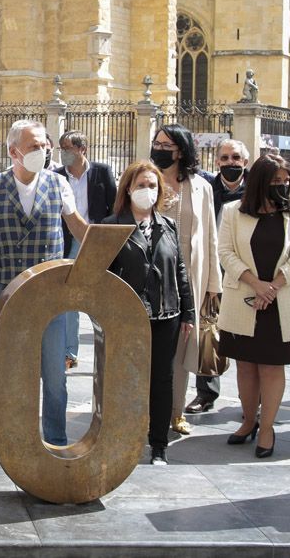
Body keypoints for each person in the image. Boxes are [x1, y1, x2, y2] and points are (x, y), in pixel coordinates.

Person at [0, 120, 88, 446]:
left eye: (45, 146)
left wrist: (116, 245)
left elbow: (79, 230)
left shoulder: (59, 185)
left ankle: (55, 439)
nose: (42, 151)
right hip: (8, 293)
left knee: (54, 375)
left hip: (50, 294)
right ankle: (11, 438)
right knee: (11, 372)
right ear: (14, 151)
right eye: (34, 147)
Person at [217, 154, 290, 459]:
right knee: (245, 365)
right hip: (244, 296)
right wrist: (256, 284)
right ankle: (248, 421)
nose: (282, 187)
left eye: (286, 182)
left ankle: (267, 428)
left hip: (278, 300)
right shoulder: (233, 211)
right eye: (275, 182)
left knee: (271, 367)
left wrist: (272, 287)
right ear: (259, 182)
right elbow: (226, 252)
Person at [104, 161, 194, 465]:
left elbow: (179, 269)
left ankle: (158, 445)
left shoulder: (167, 226)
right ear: (128, 189)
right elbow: (101, 275)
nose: (147, 191)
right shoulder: (112, 225)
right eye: (141, 185)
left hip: (165, 315)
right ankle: (123, 441)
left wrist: (188, 312)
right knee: (126, 380)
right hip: (127, 318)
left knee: (162, 380)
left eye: (152, 185)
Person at [149, 124, 222, 436]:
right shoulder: (145, 180)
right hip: (151, 277)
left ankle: (175, 413)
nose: (161, 149)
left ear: (181, 150)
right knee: (150, 349)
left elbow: (210, 238)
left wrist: (213, 286)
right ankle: (148, 413)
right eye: (157, 144)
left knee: (181, 349)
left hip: (189, 277)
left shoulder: (200, 186)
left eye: (167, 145)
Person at [188, 137, 250, 414]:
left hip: (247, 274)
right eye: (224, 158)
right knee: (207, 334)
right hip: (214, 271)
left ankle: (252, 398)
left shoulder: (255, 191)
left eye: (235, 158)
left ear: (245, 162)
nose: (230, 163)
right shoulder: (207, 189)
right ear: (217, 162)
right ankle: (206, 393)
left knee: (246, 338)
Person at [55, 130, 118, 368]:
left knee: (96, 297)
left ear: (83, 149)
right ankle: (69, 352)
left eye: (68, 148)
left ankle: (108, 345)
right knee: (69, 300)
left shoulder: (102, 172)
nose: (64, 153)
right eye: (61, 148)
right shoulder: (58, 176)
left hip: (94, 243)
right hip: (69, 243)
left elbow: (113, 208)